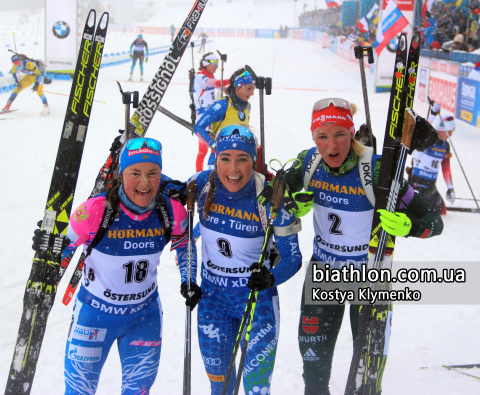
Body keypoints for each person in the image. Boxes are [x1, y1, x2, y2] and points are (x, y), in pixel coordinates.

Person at [286, 98, 444, 395]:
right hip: (323, 274)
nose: (331, 146)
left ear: (351, 133)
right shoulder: (309, 162)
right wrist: (289, 207)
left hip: (369, 277)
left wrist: (411, 227)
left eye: (340, 135)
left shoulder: (380, 170)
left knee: (367, 379)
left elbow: (433, 220)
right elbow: (271, 194)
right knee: (314, 376)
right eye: (322, 136)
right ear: (313, 137)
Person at [55, 138, 199, 394]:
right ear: (122, 174)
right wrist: (49, 251)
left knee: (138, 391)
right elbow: (63, 252)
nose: (144, 183)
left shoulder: (170, 210)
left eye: (152, 174)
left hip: (143, 317)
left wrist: (188, 280)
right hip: (93, 316)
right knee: (78, 391)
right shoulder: (95, 212)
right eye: (135, 173)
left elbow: (184, 244)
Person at [187, 125, 302, 395]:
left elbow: (293, 258)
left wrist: (271, 277)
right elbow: (158, 198)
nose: (233, 169)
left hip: (256, 302)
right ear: (215, 159)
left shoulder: (270, 196)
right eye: (225, 158)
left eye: (242, 159)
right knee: (220, 386)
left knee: (255, 389)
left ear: (253, 160)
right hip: (213, 302)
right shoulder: (201, 184)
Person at [194, 68, 255, 170]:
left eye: (253, 89)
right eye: (249, 88)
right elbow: (198, 127)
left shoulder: (248, 106)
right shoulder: (223, 105)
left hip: (238, 161)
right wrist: (212, 144)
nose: (252, 93)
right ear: (237, 87)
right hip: (218, 162)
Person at [407, 102, 456, 215]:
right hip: (417, 184)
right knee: (420, 212)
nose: (450, 136)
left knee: (441, 211)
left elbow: (446, 168)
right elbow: (421, 131)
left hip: (430, 187)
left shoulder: (445, 146)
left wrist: (450, 187)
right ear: (441, 129)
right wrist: (433, 115)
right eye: (449, 132)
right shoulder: (428, 140)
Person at [193, 52, 230, 172]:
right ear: (206, 64)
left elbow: (223, 88)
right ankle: (200, 175)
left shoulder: (210, 77)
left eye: (218, 63)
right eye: (214, 63)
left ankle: (207, 172)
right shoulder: (200, 77)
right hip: (203, 116)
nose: (217, 66)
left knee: (209, 148)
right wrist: (233, 79)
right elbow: (216, 84)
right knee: (207, 148)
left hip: (211, 115)